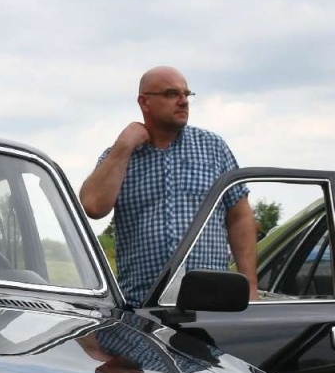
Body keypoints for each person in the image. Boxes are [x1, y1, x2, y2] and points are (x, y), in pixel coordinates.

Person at [79, 67, 257, 303]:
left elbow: (240, 216)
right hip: (141, 305)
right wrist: (123, 145)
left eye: (187, 94)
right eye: (172, 94)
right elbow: (92, 206)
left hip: (211, 303)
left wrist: (251, 288)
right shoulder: (120, 155)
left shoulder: (213, 147)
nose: (183, 101)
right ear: (145, 102)